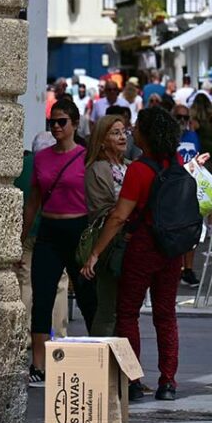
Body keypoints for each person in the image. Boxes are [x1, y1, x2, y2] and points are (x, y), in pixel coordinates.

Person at [81, 107, 206, 402]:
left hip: (143, 247)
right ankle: (168, 382)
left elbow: (118, 216)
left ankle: (134, 379)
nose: (131, 131)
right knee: (166, 315)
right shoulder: (175, 164)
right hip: (172, 251)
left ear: (147, 134)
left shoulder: (138, 169)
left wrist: (95, 253)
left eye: (137, 127)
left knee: (127, 313)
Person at [22, 99, 98, 386]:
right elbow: (33, 201)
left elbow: (96, 197)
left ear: (75, 124)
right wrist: (23, 236)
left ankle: (98, 357)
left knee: (89, 298)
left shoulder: (86, 157)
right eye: (52, 122)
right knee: (42, 298)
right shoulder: (41, 158)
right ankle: (38, 364)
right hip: (49, 231)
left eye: (61, 121)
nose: (56, 126)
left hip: (78, 230)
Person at [15, 131, 70, 344]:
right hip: (53, 229)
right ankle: (59, 333)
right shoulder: (57, 165)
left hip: (27, 232)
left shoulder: (22, 166)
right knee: (60, 282)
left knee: (26, 281)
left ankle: (26, 335)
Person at [84, 115, 129, 336]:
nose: (122, 137)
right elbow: (100, 210)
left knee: (125, 310)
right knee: (108, 309)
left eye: (123, 131)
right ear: (102, 140)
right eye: (115, 133)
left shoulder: (128, 166)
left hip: (130, 242)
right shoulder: (97, 169)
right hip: (110, 244)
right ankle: (99, 362)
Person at [173, 104, 202, 287]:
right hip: (174, 188)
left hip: (191, 187)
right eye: (179, 117)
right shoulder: (169, 138)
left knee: (192, 230)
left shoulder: (193, 136)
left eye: (185, 118)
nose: (182, 121)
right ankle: (176, 268)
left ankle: (188, 269)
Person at [191, 93, 212, 234]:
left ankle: (199, 223)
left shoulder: (195, 121)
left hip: (200, 156)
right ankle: (211, 225)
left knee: (197, 190)